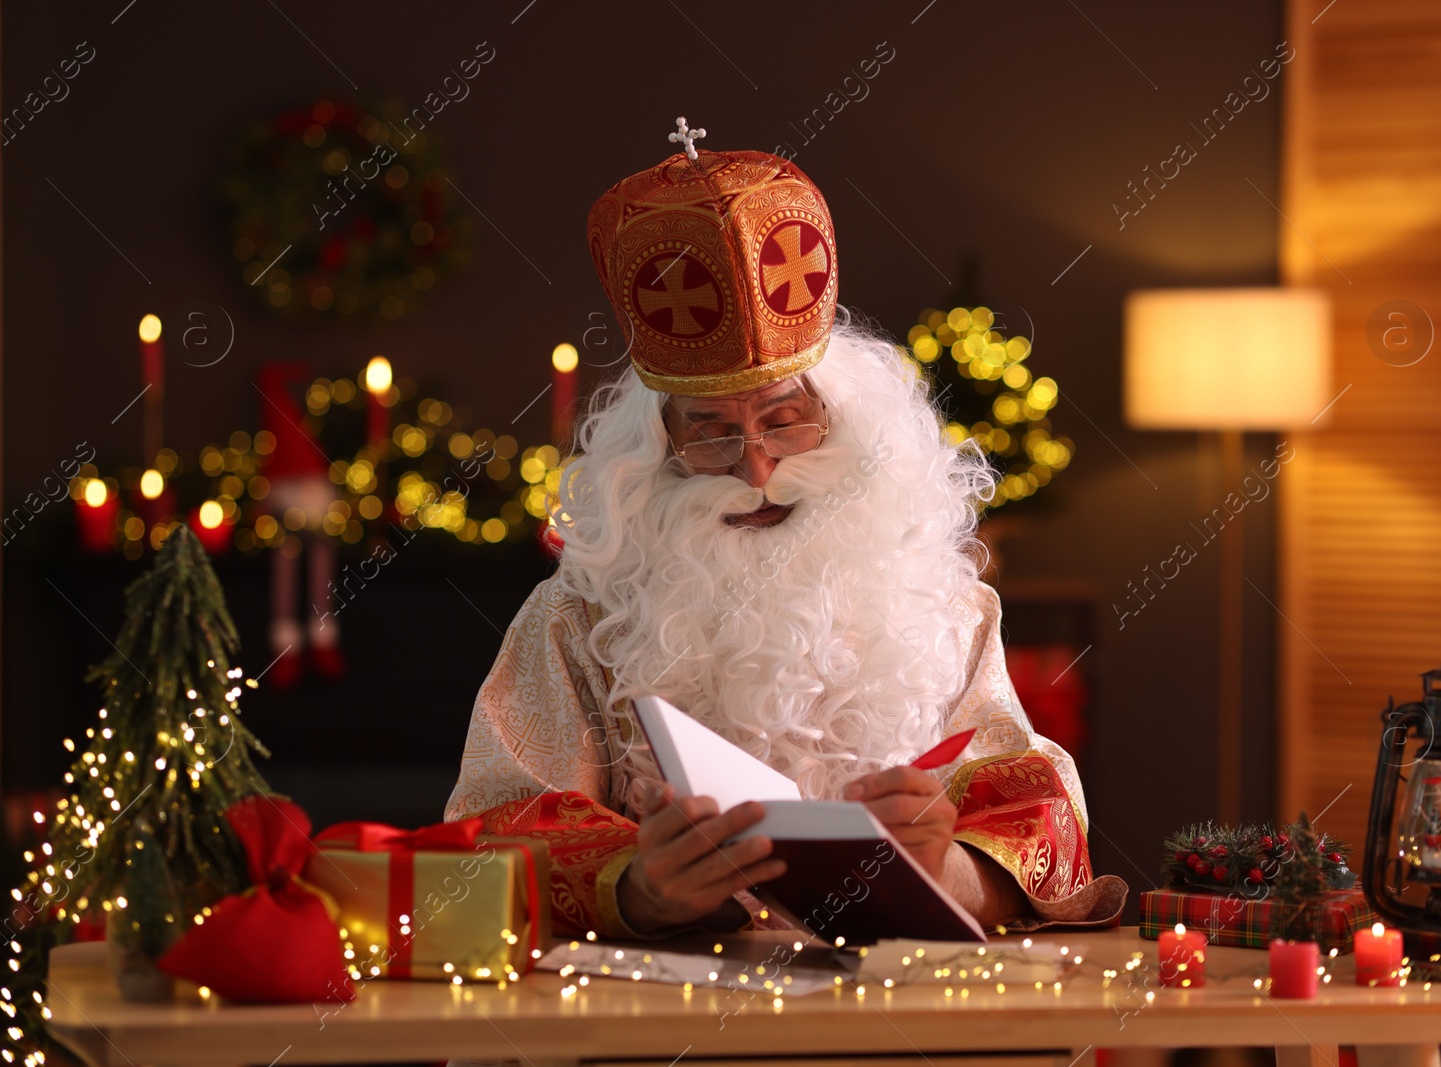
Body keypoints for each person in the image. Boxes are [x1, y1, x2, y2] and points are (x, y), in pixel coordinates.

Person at [444, 121, 1126, 941]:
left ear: (848, 426)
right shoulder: (578, 619)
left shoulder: (943, 609)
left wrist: (947, 868)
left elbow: (1041, 818)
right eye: (710, 430)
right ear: (655, 449)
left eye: (784, 420)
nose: (755, 470)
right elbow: (490, 832)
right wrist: (639, 887)